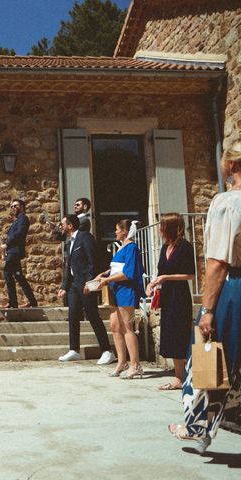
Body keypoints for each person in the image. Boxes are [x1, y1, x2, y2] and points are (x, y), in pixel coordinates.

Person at [169, 140, 241, 454]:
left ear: (232, 166)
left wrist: (207, 309)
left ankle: (196, 427)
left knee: (208, 356)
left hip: (234, 288)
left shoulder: (227, 203)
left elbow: (217, 263)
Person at [146, 213, 195, 390]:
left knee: (180, 333)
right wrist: (153, 284)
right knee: (171, 334)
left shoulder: (185, 247)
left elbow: (190, 275)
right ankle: (179, 377)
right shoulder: (164, 248)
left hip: (180, 295)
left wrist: (167, 277)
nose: (160, 229)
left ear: (172, 227)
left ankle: (182, 377)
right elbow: (161, 273)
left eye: (163, 226)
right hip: (167, 295)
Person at [57, 214, 114, 364]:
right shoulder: (69, 242)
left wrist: (89, 282)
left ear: (70, 225)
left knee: (92, 315)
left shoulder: (85, 237)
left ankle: (107, 350)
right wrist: (64, 286)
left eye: (62, 224)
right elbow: (68, 266)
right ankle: (74, 349)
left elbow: (92, 261)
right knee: (73, 315)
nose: (60, 226)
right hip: (74, 285)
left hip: (85, 285)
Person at [95, 219, 145, 379]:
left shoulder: (132, 248)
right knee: (115, 326)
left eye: (117, 229)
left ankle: (135, 364)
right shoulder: (121, 247)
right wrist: (105, 274)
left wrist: (107, 280)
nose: (115, 232)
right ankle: (122, 362)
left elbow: (128, 272)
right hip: (115, 289)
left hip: (126, 290)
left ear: (125, 231)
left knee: (127, 327)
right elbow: (117, 268)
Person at [1, 199, 38, 308]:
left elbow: (19, 234)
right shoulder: (17, 220)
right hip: (12, 252)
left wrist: (7, 244)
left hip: (14, 252)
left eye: (15, 206)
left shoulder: (23, 218)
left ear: (22, 206)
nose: (13, 208)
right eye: (12, 206)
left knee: (7, 273)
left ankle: (13, 302)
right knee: (19, 277)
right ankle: (32, 301)